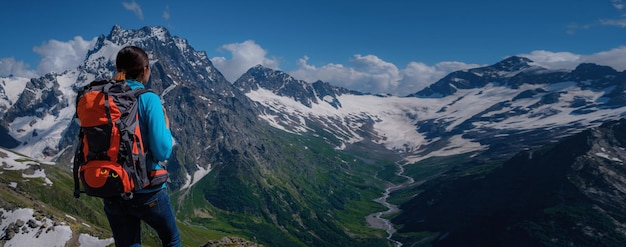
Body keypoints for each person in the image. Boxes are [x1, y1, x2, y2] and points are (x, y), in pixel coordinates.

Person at [104, 45, 181, 247]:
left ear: (119, 69)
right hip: (147, 190)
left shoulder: (102, 98)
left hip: (112, 189)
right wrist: (166, 127)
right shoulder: (148, 98)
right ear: (145, 69)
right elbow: (162, 151)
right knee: (171, 239)